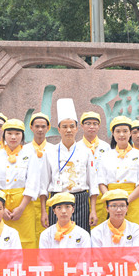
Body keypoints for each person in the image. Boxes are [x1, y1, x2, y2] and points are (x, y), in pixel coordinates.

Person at [40, 99, 99, 231]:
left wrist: (93, 210)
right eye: (65, 127)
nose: (68, 130)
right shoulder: (49, 152)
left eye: (72, 126)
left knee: (81, 237)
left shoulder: (86, 152)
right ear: (59, 129)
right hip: (57, 200)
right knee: (57, 237)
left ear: (77, 129)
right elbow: (43, 185)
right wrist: (44, 211)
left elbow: (93, 183)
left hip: (80, 200)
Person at [0, 119, 40, 248]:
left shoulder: (30, 155)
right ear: (4, 135)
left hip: (24, 204)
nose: (13, 137)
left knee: (26, 239)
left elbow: (33, 183)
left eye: (17, 134)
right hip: (0, 204)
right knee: (2, 239)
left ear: (22, 136)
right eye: (9, 133)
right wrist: (1, 209)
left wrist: (21, 208)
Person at [96, 116, 139, 227]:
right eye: (118, 131)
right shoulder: (105, 156)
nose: (121, 134)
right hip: (111, 201)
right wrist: (111, 201)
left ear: (130, 133)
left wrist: (126, 202)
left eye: (125, 131)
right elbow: (101, 182)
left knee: (134, 232)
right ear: (113, 133)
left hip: (132, 200)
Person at [79, 111, 109, 225]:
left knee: (100, 226)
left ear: (99, 126)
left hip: (101, 192)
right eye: (88, 123)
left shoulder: (106, 147)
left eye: (95, 124)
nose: (92, 127)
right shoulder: (76, 147)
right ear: (82, 126)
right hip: (83, 193)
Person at [28, 113, 55, 241]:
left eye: (43, 126)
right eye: (37, 126)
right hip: (29, 200)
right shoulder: (24, 150)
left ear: (48, 128)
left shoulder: (54, 150)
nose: (40, 129)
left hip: (49, 199)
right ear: (31, 127)